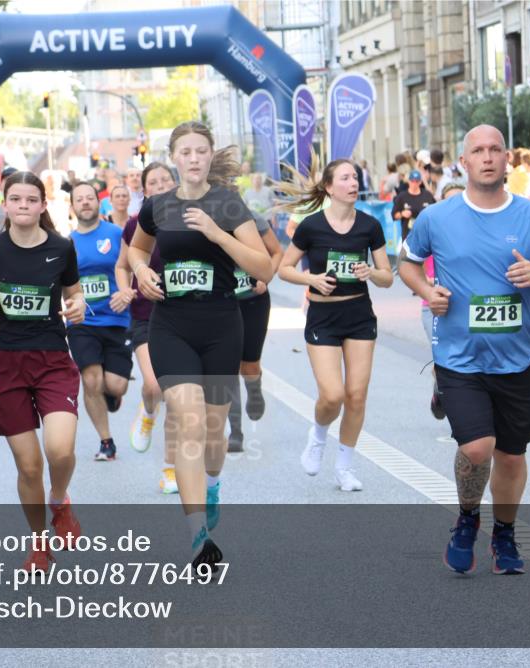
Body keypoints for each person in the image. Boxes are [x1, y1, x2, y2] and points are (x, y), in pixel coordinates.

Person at [398, 124, 530, 575]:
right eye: (478, 150)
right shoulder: (438, 217)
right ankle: (467, 516)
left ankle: (504, 534)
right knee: (478, 448)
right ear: (464, 161)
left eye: (496, 149)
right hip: (459, 357)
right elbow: (407, 263)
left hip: (517, 358)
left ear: (507, 159)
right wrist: (427, 291)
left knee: (512, 456)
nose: (488, 156)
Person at [128, 121, 272, 568]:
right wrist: (142, 270)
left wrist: (217, 233)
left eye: (201, 151)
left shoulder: (227, 203)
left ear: (211, 156)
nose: (193, 158)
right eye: (185, 151)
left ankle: (211, 487)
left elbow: (263, 268)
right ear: (173, 157)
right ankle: (198, 538)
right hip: (170, 326)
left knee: (214, 433)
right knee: (187, 422)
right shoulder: (157, 206)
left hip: (221, 327)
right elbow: (136, 249)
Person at [0, 171, 87, 573]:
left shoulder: (61, 247)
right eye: (16, 199)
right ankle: (38, 543)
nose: (23, 205)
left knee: (60, 450)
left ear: (42, 205)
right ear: (4, 205)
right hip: (6, 363)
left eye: (31, 200)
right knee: (29, 466)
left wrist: (78, 306)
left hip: (52, 358)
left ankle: (59, 498)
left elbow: (75, 295)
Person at [277, 160, 393, 491]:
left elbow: (387, 277)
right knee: (332, 395)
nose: (353, 183)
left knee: (356, 395)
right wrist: (311, 279)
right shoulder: (311, 226)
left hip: (359, 315)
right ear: (329, 187)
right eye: (345, 178)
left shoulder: (370, 226)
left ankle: (344, 467)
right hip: (323, 317)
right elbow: (284, 269)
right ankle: (317, 434)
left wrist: (371, 272)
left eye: (355, 177)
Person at [117, 162, 179, 492]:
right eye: (153, 182)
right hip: (144, 314)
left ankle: (170, 469)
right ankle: (148, 412)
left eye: (166, 180)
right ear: (144, 190)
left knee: (176, 394)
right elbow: (122, 265)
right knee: (154, 386)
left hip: (182, 315)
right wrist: (126, 289)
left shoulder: (191, 219)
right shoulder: (134, 224)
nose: (160, 185)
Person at [67, 181, 134, 461]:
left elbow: (132, 267)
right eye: (79, 199)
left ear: (98, 202)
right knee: (91, 380)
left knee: (116, 385)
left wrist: (127, 292)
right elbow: (63, 283)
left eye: (90, 198)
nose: (85, 202)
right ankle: (106, 442)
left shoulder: (116, 234)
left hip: (117, 319)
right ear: (72, 206)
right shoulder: (67, 243)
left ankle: (112, 393)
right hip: (82, 323)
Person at [226, 191, 284, 452]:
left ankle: (254, 387)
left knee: (248, 365)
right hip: (223, 303)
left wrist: (265, 277)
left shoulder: (253, 219)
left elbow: (277, 252)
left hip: (253, 300)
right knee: (227, 368)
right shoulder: (206, 220)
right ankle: (235, 431)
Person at [421, 181, 467, 420]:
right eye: (449, 200)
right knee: (444, 358)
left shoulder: (476, 231)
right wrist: (426, 282)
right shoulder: (432, 228)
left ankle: (464, 408)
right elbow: (410, 263)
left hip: (466, 307)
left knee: (464, 360)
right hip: (434, 308)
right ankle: (441, 387)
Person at [392, 169, 436, 240]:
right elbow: (394, 215)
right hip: (408, 234)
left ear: (420, 182)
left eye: (417, 181)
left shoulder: (427, 195)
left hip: (425, 233)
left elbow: (435, 212)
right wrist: (402, 214)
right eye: (412, 181)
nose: (414, 184)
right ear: (408, 181)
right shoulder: (402, 196)